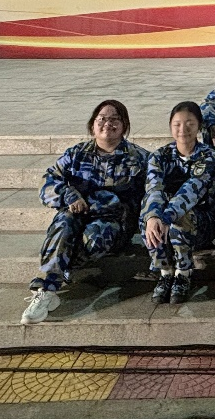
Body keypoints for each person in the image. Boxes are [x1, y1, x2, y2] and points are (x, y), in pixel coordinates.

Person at [22, 100, 148, 324]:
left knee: (95, 238)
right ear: (92, 125)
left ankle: (59, 271)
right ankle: (46, 291)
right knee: (63, 222)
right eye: (102, 119)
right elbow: (48, 182)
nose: (107, 124)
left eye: (115, 119)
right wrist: (68, 195)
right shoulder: (76, 154)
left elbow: (155, 190)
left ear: (124, 126)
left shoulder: (139, 158)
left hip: (112, 221)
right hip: (77, 214)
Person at [141, 102, 215, 304]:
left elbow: (192, 190)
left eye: (190, 123)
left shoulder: (208, 156)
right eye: (177, 124)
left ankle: (183, 273)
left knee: (181, 215)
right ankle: (165, 272)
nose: (183, 129)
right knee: (149, 212)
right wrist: (154, 217)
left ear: (199, 126)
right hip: (167, 222)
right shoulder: (159, 156)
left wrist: (166, 217)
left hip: (202, 222)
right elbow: (154, 189)